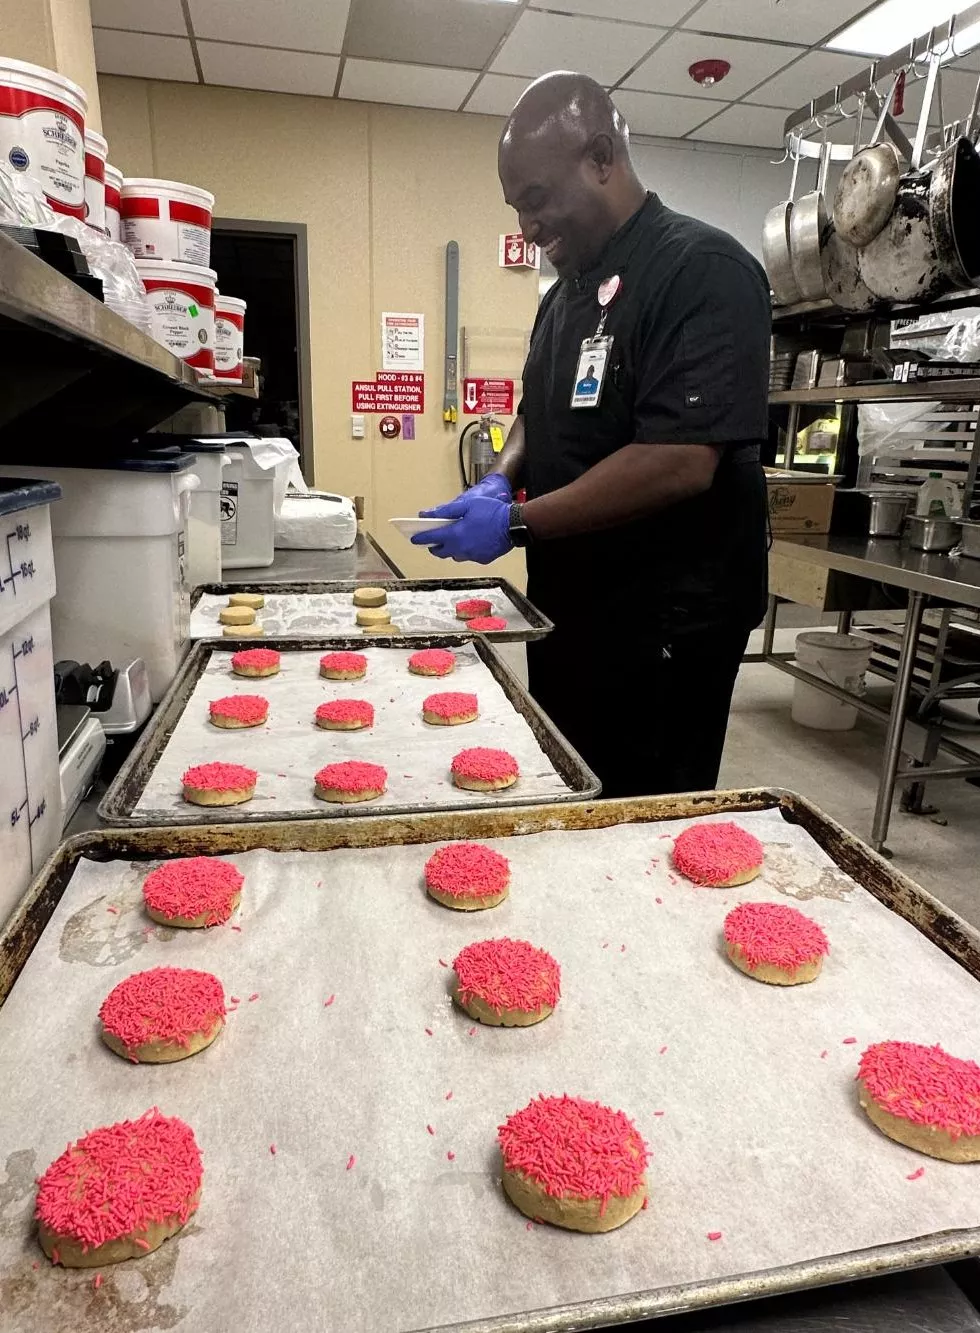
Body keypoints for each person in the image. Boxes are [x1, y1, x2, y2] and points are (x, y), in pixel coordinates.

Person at [413, 71, 770, 800]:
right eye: (517, 209)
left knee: (643, 815)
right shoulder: (562, 299)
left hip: (667, 625)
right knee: (569, 785)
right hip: (571, 608)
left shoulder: (702, 270)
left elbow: (679, 460)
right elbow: (535, 412)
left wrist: (516, 521)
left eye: (536, 201)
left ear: (601, 158)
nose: (527, 229)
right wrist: (501, 474)